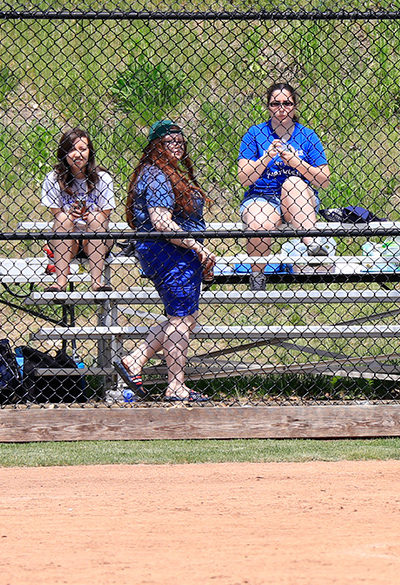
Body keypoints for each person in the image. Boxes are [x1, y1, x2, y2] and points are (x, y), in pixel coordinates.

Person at [115, 120, 216, 403]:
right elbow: (161, 222)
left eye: (180, 142)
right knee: (181, 320)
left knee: (185, 319)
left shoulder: (164, 172)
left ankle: (135, 360)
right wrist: (196, 246)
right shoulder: (157, 175)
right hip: (170, 253)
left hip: (174, 253)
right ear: (156, 146)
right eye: (169, 142)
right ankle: (175, 386)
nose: (177, 146)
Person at [237, 82, 332, 291]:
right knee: (258, 223)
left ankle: (312, 244)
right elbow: (244, 178)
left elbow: (324, 179)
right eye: (275, 103)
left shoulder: (307, 135)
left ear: (295, 105)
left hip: (298, 201)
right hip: (262, 196)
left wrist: (296, 163)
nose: (281, 108)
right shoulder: (255, 134)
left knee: (292, 182)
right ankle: (258, 275)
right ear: (268, 106)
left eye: (287, 103)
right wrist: (266, 158)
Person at [40, 128, 116, 292]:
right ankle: (60, 282)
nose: (78, 154)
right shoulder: (53, 179)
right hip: (67, 240)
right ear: (64, 153)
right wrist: (70, 215)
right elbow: (57, 214)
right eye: (72, 149)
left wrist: (89, 216)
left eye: (83, 149)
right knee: (63, 219)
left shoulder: (102, 178)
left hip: (96, 239)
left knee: (96, 219)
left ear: (90, 152)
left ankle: (97, 282)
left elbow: (105, 216)